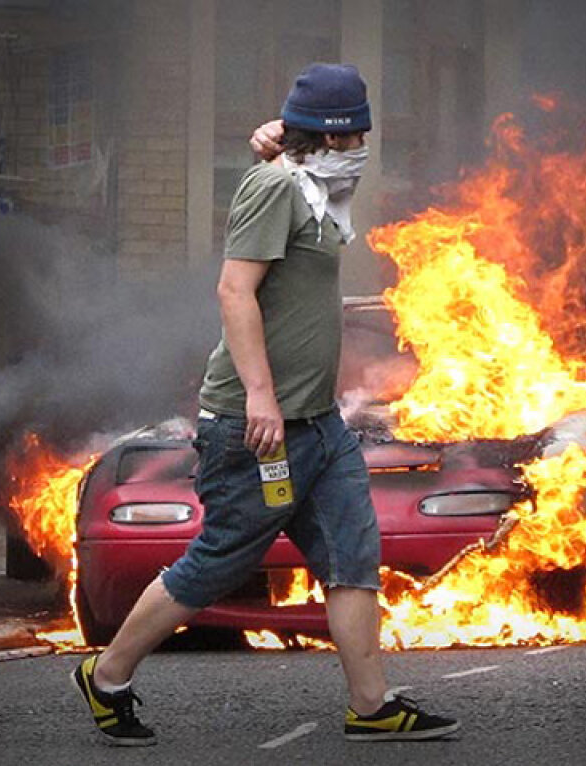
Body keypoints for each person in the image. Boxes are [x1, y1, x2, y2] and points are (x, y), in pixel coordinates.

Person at [72, 63, 460, 747]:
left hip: (319, 423)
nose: (366, 147)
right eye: (359, 134)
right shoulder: (276, 187)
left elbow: (304, 176)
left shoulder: (318, 185)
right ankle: (107, 675)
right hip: (258, 427)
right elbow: (233, 291)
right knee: (221, 560)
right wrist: (261, 396)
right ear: (336, 137)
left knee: (351, 554)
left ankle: (371, 707)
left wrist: (275, 137)